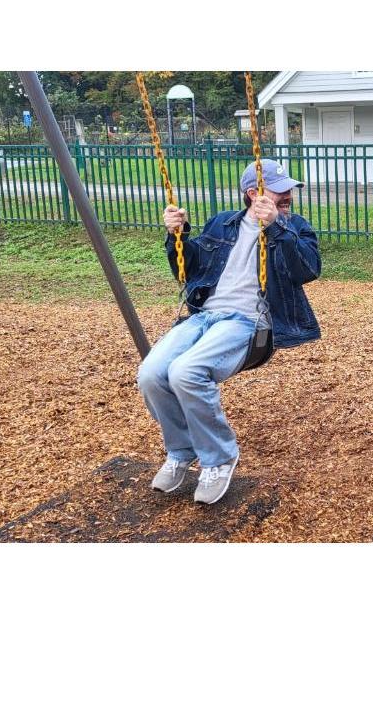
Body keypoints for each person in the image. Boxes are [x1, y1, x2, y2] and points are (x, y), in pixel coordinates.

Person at [137, 158, 321, 504]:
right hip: (203, 316)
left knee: (186, 372)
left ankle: (219, 459)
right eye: (280, 192)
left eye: (288, 192)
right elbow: (187, 271)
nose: (288, 197)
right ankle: (180, 451)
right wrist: (178, 235)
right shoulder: (222, 224)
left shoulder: (294, 227)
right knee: (150, 373)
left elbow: (308, 269)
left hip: (248, 321)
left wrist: (276, 229)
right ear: (253, 194)